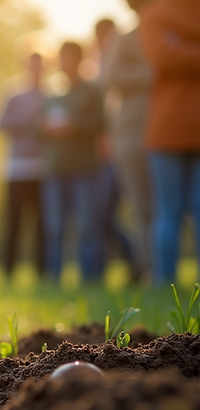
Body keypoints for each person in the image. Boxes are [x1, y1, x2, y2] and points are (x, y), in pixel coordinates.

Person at [133, 0, 200, 284]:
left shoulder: (153, 14)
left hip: (167, 124)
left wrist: (179, 48)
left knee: (168, 209)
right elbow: (164, 56)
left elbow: (162, 57)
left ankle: (164, 284)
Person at [103, 0, 157, 285]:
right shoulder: (126, 36)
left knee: (151, 208)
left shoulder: (128, 36)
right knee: (145, 208)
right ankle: (152, 271)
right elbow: (109, 78)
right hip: (134, 132)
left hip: (153, 130)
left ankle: (155, 271)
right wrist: (152, 74)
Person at [39, 42, 105, 284]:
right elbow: (36, 127)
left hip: (85, 169)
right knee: (54, 228)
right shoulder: (53, 93)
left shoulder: (92, 91)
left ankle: (90, 278)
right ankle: (54, 278)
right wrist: (46, 127)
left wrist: (73, 125)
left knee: (87, 226)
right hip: (55, 169)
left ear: (78, 60)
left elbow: (100, 122)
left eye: (68, 58)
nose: (63, 63)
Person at [90, 18, 135, 281]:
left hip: (122, 147)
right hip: (105, 153)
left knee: (128, 211)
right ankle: (130, 263)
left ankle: (138, 264)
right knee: (103, 215)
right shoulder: (97, 67)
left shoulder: (119, 60)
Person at [0, 52, 46, 280]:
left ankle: (42, 272)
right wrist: (27, 117)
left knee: (42, 226)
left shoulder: (53, 94)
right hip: (16, 169)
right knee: (13, 224)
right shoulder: (13, 93)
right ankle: (8, 272)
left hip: (44, 169)